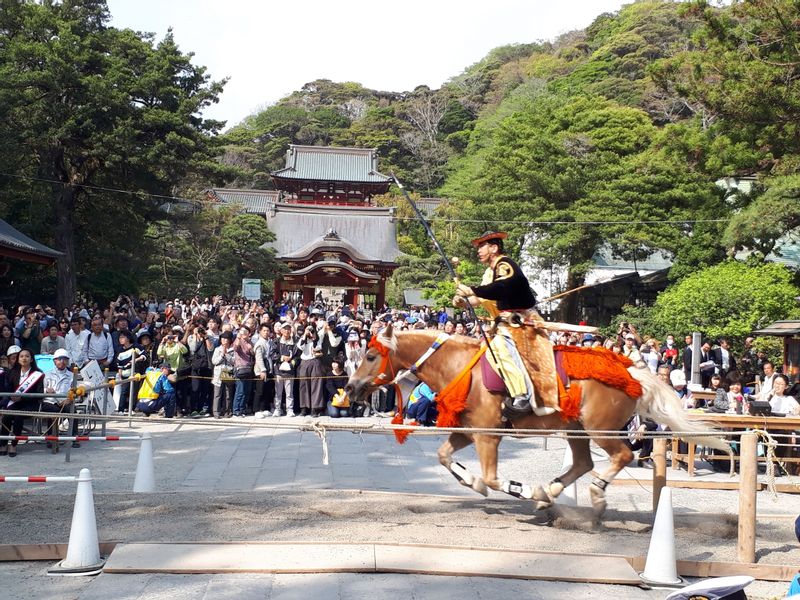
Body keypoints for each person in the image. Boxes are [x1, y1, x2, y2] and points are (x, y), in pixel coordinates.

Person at [454, 231, 557, 417]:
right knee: (491, 352)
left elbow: (502, 287)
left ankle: (522, 394)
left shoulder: (505, 264)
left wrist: (471, 290)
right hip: (507, 321)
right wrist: (466, 300)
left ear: (494, 248)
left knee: (501, 348)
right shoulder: (493, 269)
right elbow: (488, 295)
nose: (478, 251)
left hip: (520, 320)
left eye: (482, 246)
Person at [0, 349, 44, 456]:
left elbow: (39, 394)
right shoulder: (11, 373)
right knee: (7, 416)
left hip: (29, 404)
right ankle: (3, 443)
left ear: (31, 359)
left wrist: (22, 398)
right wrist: (12, 396)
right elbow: (7, 388)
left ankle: (14, 445)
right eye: (21, 356)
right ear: (18, 359)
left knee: (18, 416)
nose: (24, 358)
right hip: (13, 402)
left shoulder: (38, 374)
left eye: (27, 356)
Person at [211, 331, 235, 419]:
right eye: (223, 338)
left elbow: (234, 361)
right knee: (217, 394)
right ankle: (216, 412)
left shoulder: (233, 349)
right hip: (218, 373)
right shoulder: (217, 349)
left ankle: (227, 411)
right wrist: (222, 355)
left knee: (228, 394)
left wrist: (227, 355)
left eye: (226, 339)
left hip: (228, 371)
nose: (224, 340)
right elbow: (214, 361)